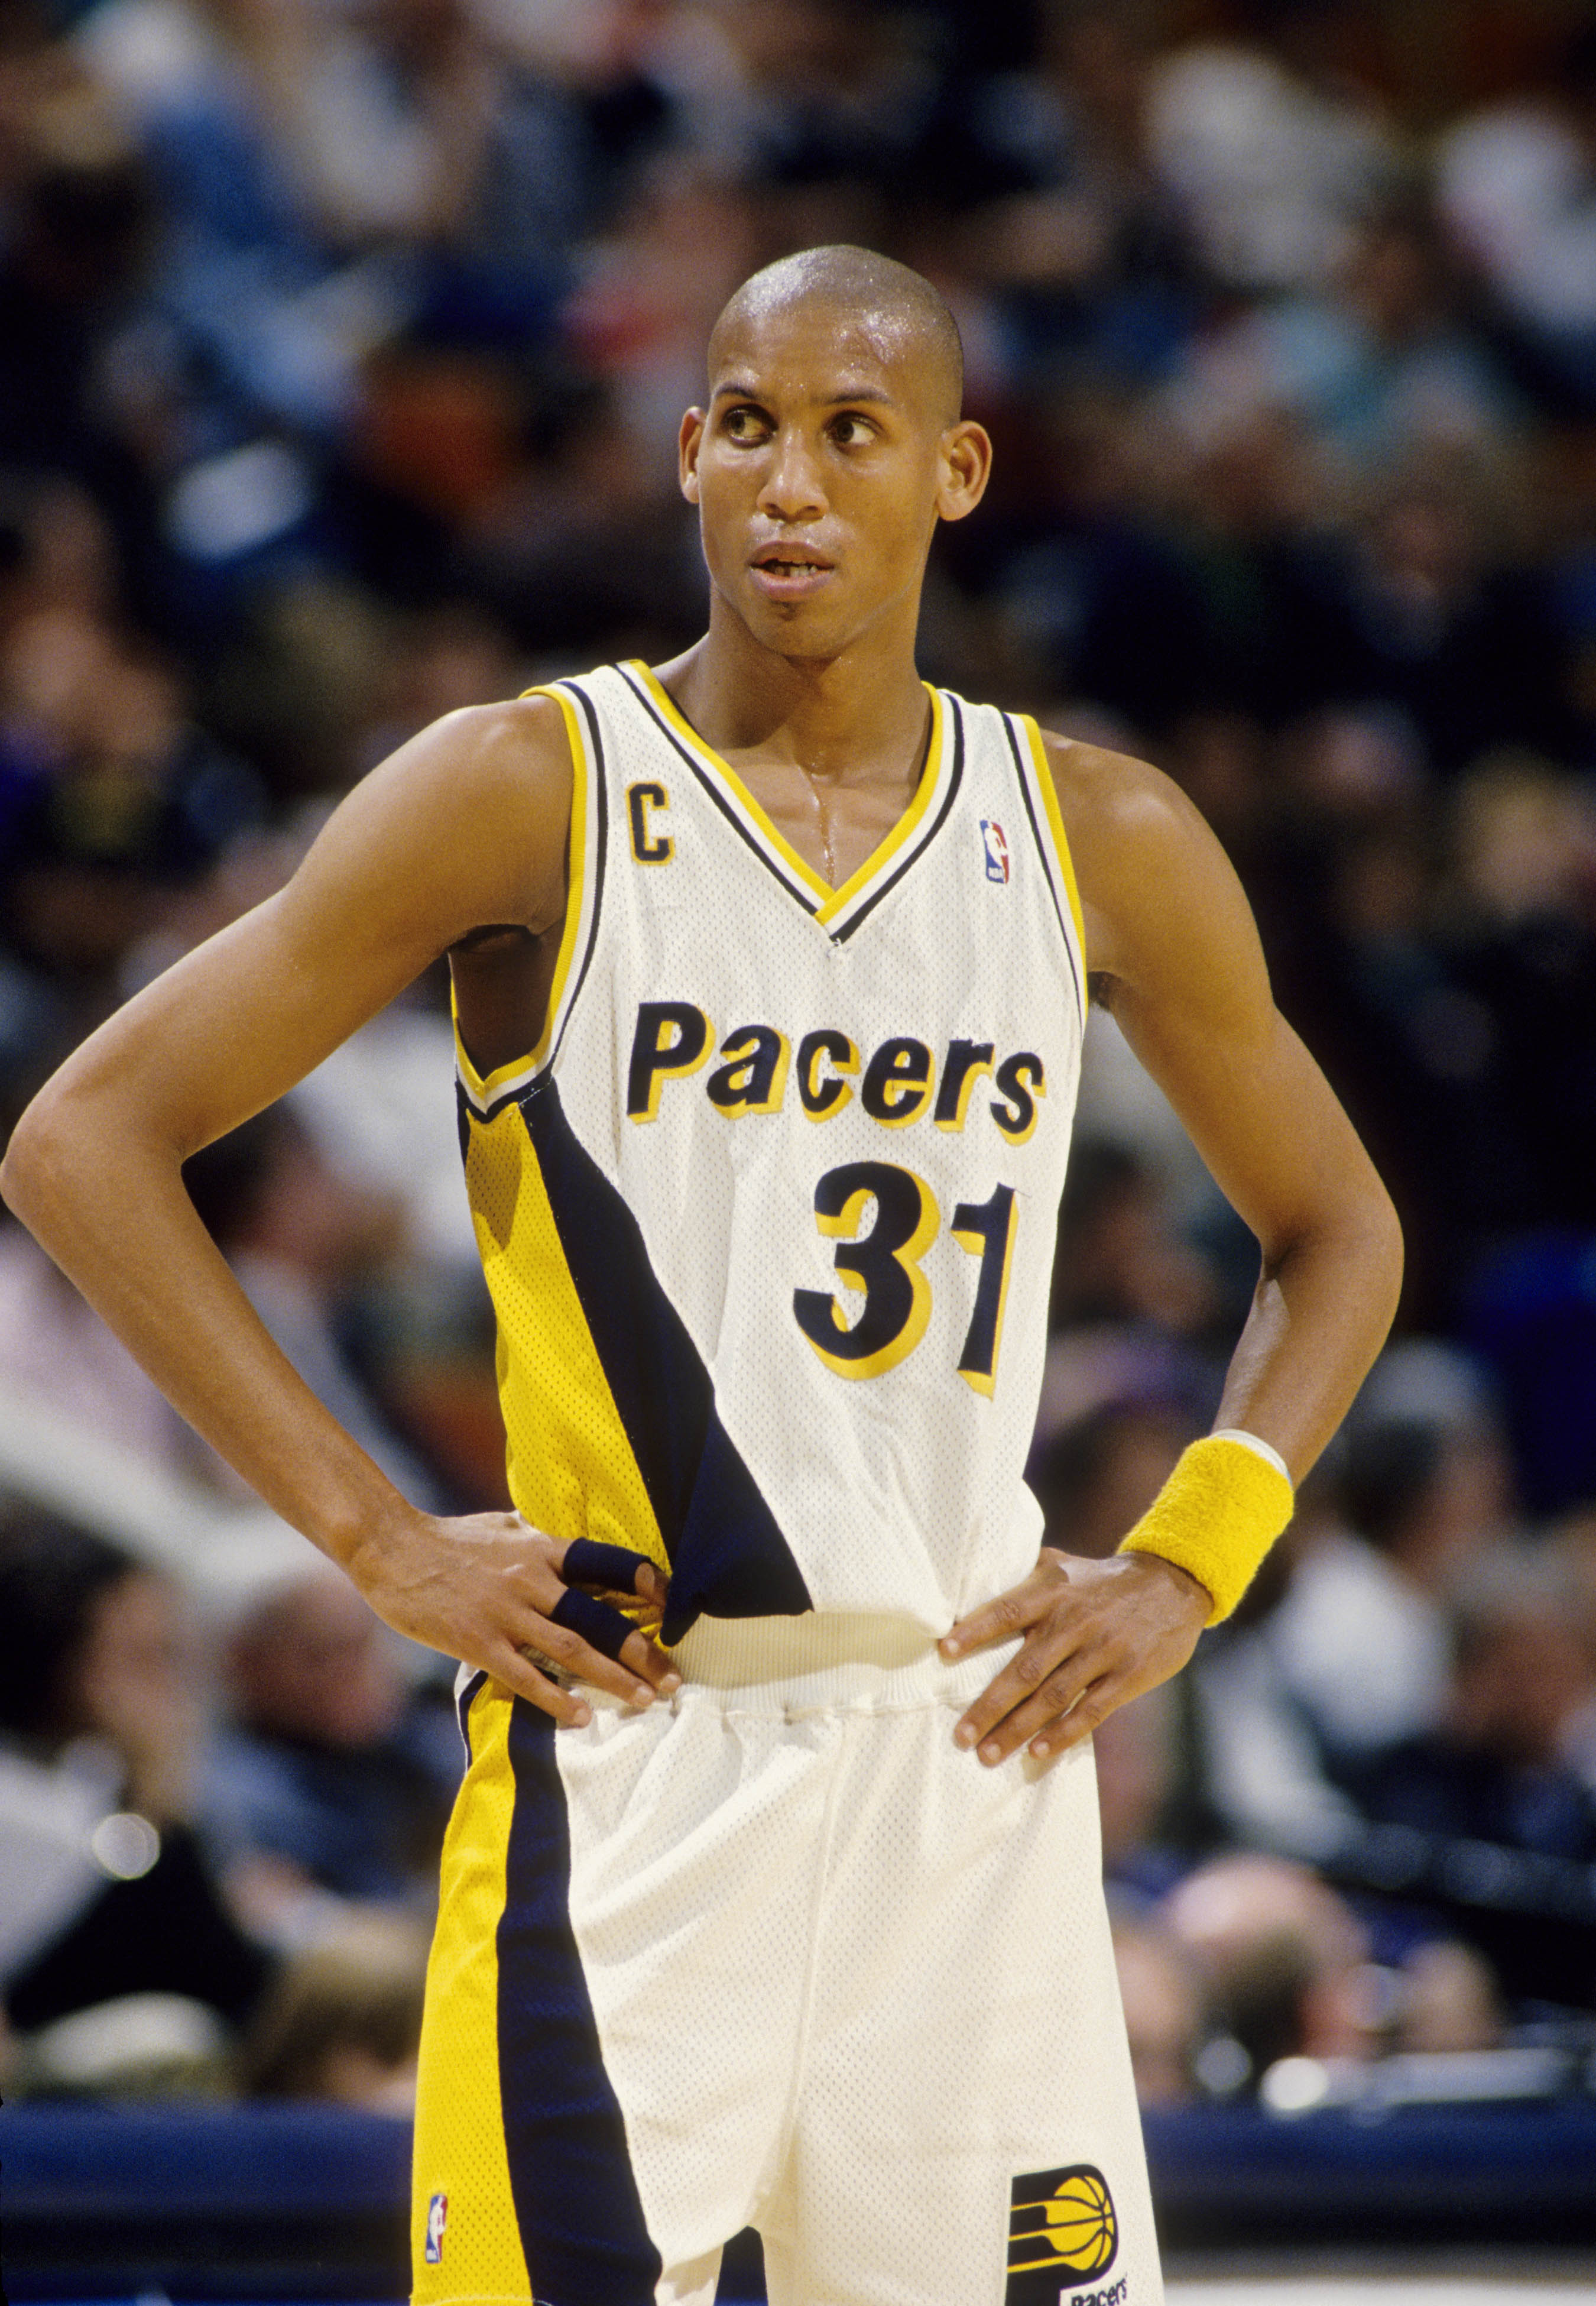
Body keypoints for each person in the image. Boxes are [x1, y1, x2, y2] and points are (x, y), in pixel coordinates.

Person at [1, 244, 1402, 2305]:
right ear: (683, 453)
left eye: (853, 432)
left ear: (959, 471)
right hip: (636, 1772)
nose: (792, 483)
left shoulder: (1097, 836)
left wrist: (1188, 1557)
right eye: (748, 424)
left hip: (968, 1766)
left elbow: (1340, 1224)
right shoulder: (527, 789)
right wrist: (377, 1540)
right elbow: (79, 1139)